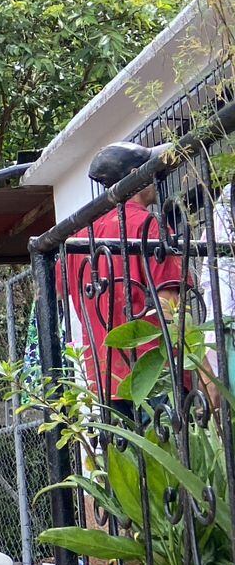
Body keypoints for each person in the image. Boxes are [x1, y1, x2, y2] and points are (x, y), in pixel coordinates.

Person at [63, 142, 186, 399]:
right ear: (134, 177)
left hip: (107, 378)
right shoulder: (151, 226)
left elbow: (70, 299)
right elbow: (170, 306)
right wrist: (202, 371)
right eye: (148, 169)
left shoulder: (79, 238)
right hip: (154, 376)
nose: (154, 176)